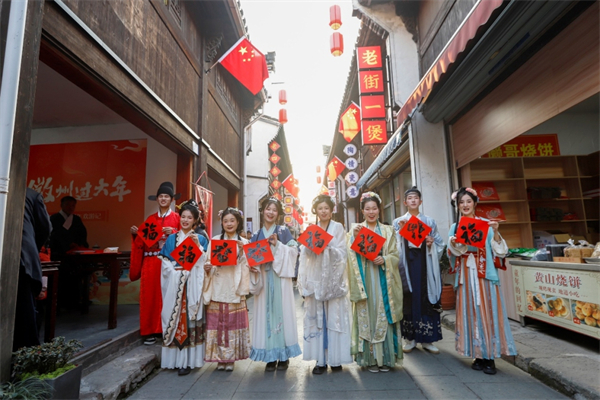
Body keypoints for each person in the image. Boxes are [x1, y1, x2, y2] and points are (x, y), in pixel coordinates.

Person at [447, 187, 517, 375]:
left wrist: (496, 233)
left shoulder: (486, 224)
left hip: (484, 274)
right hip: (466, 275)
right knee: (470, 312)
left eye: (468, 201)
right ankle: (477, 354)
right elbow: (452, 253)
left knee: (488, 313)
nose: (465, 205)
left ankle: (490, 357)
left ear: (475, 203)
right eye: (461, 202)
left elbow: (501, 251)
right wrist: (454, 243)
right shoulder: (455, 227)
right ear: (457, 205)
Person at [347, 192, 403, 373]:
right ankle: (370, 359)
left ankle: (386, 358)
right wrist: (354, 238)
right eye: (367, 209)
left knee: (384, 313)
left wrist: (385, 259)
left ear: (379, 209)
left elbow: (395, 255)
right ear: (362, 211)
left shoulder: (388, 231)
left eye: (374, 208)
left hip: (383, 279)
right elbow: (349, 256)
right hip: (365, 278)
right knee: (368, 315)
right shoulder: (356, 230)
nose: (371, 212)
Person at [297, 195, 351, 374]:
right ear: (315, 210)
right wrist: (308, 248)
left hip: (333, 281)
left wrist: (328, 249)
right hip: (316, 279)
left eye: (326, 208)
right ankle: (320, 360)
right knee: (318, 319)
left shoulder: (338, 227)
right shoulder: (311, 229)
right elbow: (305, 256)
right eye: (320, 208)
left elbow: (343, 252)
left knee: (334, 317)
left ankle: (335, 359)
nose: (323, 211)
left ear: (331, 210)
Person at [248, 197, 301, 371]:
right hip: (264, 277)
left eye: (274, 210)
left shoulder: (284, 231)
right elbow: (251, 259)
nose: (270, 212)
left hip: (280, 278)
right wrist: (253, 266)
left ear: (278, 214)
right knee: (265, 315)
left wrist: (278, 245)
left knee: (282, 312)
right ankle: (270, 355)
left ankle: (283, 355)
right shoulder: (256, 234)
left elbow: (294, 251)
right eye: (267, 209)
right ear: (263, 211)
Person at [159, 199, 209, 376]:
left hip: (192, 285)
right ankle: (174, 360)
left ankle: (188, 361)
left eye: (190, 217)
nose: (186, 220)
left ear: (195, 220)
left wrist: (199, 249)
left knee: (189, 320)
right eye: (183, 217)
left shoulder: (202, 239)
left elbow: (206, 264)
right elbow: (164, 264)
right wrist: (177, 274)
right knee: (176, 318)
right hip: (176, 284)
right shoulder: (172, 239)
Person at [393, 186, 445, 354]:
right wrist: (401, 232)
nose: (413, 200)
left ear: (420, 201)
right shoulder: (398, 221)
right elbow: (393, 245)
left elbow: (440, 243)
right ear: (405, 202)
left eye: (416, 198)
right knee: (409, 298)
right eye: (410, 198)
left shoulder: (429, 221)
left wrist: (431, 243)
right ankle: (410, 338)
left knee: (426, 297)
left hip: (424, 263)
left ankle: (428, 339)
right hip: (407, 263)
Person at [130, 182, 181, 345]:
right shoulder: (150, 219)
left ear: (172, 200)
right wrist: (136, 234)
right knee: (150, 296)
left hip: (170, 262)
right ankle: (150, 330)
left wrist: (173, 233)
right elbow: (141, 243)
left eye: (167, 196)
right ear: (157, 199)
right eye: (161, 196)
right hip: (151, 262)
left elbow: (185, 238)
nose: (163, 199)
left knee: (168, 295)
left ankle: (166, 328)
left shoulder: (177, 218)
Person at [203, 207, 251, 372]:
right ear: (221, 223)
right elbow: (208, 261)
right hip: (218, 286)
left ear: (238, 222)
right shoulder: (215, 240)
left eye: (232, 220)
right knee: (217, 325)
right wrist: (207, 267)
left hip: (234, 287)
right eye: (225, 221)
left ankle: (230, 359)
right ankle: (219, 358)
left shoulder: (244, 243)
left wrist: (243, 252)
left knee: (231, 324)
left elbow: (251, 266)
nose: (229, 224)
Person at [14, 188, 52, 351]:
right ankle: (27, 358)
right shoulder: (30, 194)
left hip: (22, 256)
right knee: (25, 312)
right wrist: (31, 247)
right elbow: (45, 228)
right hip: (23, 256)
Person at [49, 196, 88, 260]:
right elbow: (53, 235)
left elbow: (83, 234)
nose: (70, 207)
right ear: (61, 205)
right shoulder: (54, 218)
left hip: (74, 252)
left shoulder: (76, 219)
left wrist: (77, 244)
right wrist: (67, 244)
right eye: (67, 204)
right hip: (59, 252)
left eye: (73, 205)